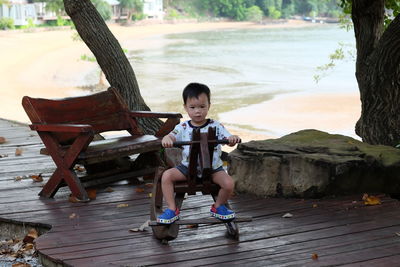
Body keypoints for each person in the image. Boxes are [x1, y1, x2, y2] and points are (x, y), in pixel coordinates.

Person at [157, 82, 241, 224]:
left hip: (213, 168)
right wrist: (167, 138)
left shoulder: (216, 125)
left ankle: (218, 206)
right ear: (185, 108)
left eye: (202, 107)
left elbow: (228, 139)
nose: (198, 111)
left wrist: (232, 139)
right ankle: (172, 209)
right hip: (187, 168)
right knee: (166, 176)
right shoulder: (183, 127)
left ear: (209, 105)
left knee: (229, 184)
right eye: (193, 107)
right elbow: (172, 135)